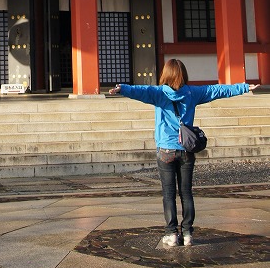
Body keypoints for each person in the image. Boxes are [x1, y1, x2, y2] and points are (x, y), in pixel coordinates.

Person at [109, 59, 259, 247]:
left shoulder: (158, 93)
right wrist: (244, 87)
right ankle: (187, 233)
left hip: (166, 150)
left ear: (166, 74)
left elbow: (140, 91)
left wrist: (122, 89)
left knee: (168, 193)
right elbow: (217, 90)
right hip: (187, 149)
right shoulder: (192, 93)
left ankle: (171, 233)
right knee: (186, 193)